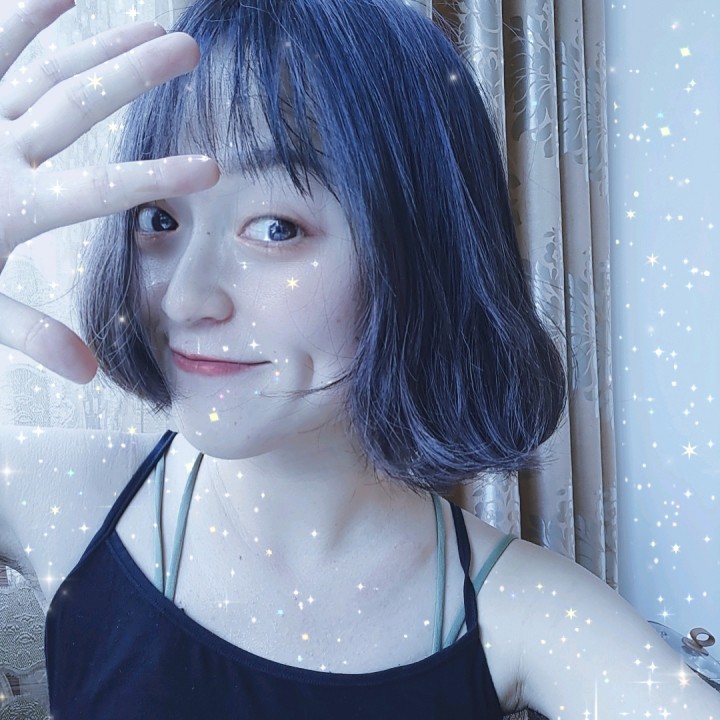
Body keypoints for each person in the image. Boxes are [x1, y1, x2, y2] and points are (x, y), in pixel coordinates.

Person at [0, 0, 718, 717]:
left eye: (276, 227)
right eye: (159, 218)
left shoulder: (525, 610)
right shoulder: (64, 494)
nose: (185, 298)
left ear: (421, 252)